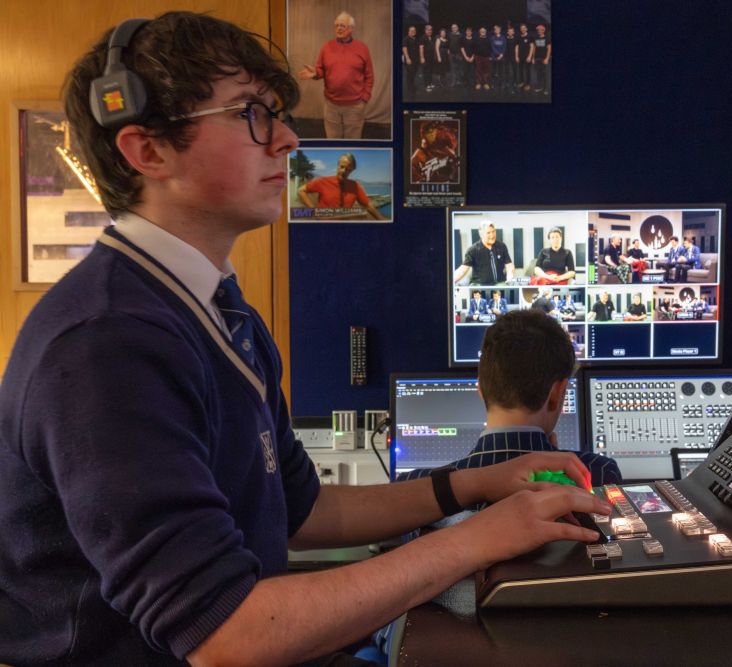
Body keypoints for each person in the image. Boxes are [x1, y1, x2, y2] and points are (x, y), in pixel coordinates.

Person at [0, 14, 611, 665]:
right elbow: (225, 635)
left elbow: (306, 508)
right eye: (253, 115)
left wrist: (475, 485)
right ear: (147, 150)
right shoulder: (108, 345)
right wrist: (478, 539)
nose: (290, 139)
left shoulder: (220, 310)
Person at [396, 309, 622, 490]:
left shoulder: (415, 488)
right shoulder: (598, 473)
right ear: (556, 394)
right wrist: (552, 456)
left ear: (481, 389)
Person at [297, 11, 373, 139]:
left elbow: (369, 75)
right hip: (331, 105)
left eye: (342, 25)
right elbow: (321, 70)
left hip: (355, 106)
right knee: (332, 140)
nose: (338, 28)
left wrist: (365, 97)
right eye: (336, 25)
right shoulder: (326, 47)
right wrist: (316, 73)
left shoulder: (362, 48)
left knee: (352, 143)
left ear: (351, 28)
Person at [298, 152, 386, 220]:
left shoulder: (355, 186)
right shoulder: (324, 181)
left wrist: (383, 221)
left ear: (352, 170)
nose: (343, 171)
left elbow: (368, 205)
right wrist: (313, 209)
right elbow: (301, 190)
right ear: (338, 165)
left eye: (348, 169)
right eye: (342, 167)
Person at [453, 220, 514, 285]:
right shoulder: (473, 250)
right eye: (488, 233)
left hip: (499, 283)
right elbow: (463, 270)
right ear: (481, 235)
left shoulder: (502, 246)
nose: (492, 235)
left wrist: (510, 276)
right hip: (479, 285)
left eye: (493, 231)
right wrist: (450, 282)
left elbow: (509, 265)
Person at [528, 24, 551, 94]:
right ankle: (540, 87)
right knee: (539, 74)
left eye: (541, 30)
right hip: (537, 58)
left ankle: (546, 88)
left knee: (545, 74)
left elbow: (549, 49)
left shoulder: (547, 38)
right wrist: (533, 58)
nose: (539, 31)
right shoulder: (536, 38)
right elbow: (534, 48)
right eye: (538, 30)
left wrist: (547, 58)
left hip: (544, 58)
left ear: (544, 31)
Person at [402, 25, 419, 98]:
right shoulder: (406, 39)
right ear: (408, 31)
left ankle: (412, 86)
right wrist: (407, 58)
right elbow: (404, 48)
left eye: (414, 31)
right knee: (410, 75)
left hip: (415, 60)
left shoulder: (415, 39)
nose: (413, 32)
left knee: (413, 74)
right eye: (411, 31)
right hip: (409, 60)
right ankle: (410, 90)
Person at [515, 23, 533, 91]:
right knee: (520, 70)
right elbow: (517, 47)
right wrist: (517, 56)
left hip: (527, 57)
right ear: (520, 29)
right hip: (520, 57)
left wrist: (529, 56)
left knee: (527, 70)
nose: (523, 29)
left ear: (526, 29)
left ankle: (528, 84)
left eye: (524, 28)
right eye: (521, 28)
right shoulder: (518, 36)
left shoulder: (530, 36)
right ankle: (522, 82)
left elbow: (532, 46)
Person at [418, 23, 435, 91]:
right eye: (428, 30)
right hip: (425, 58)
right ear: (425, 30)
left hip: (431, 58)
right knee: (426, 72)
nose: (429, 31)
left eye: (430, 30)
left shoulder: (431, 37)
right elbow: (421, 48)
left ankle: (430, 83)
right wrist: (422, 58)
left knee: (430, 71)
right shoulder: (422, 38)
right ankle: (427, 85)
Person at [489, 25, 506, 90]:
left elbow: (504, 47)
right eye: (495, 29)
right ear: (494, 30)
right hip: (494, 57)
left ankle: (501, 84)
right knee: (493, 71)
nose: (496, 30)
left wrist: (501, 54)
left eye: (498, 29)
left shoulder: (503, 38)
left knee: (501, 71)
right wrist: (497, 54)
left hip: (501, 57)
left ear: (500, 30)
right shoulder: (492, 38)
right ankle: (493, 84)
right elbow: (492, 47)